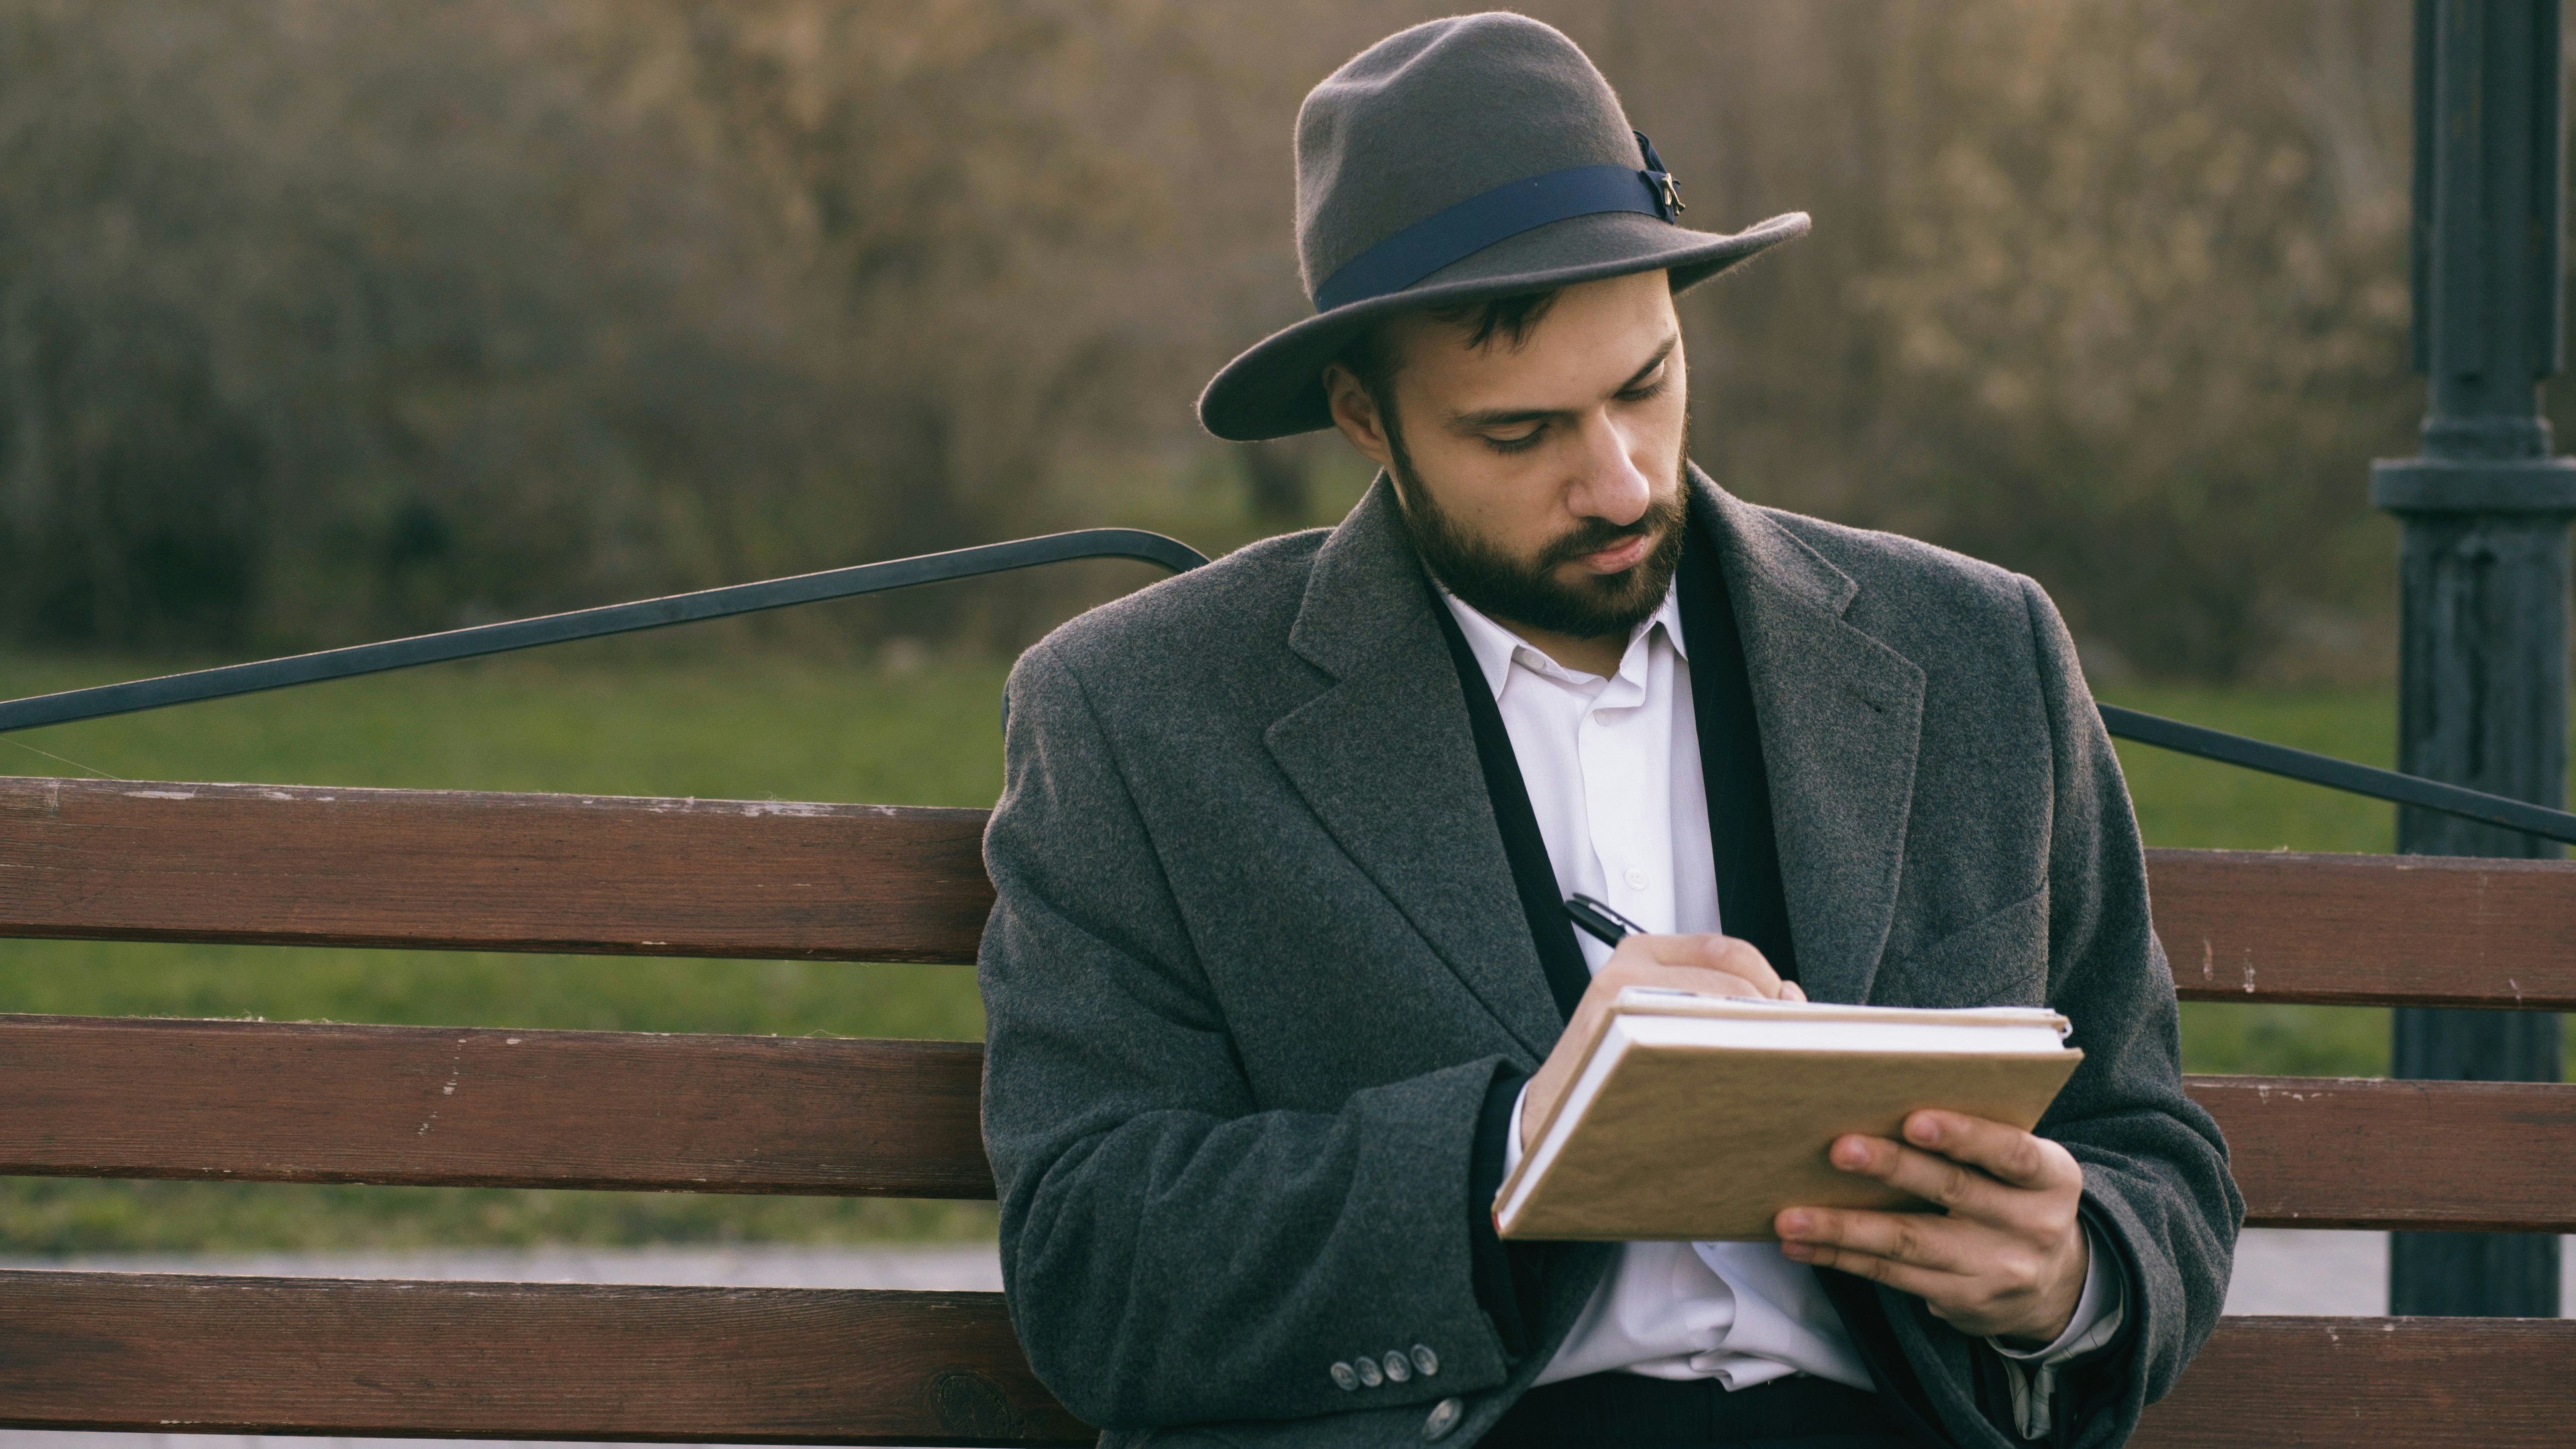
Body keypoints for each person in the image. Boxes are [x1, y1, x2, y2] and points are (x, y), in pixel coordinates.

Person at [977, 14, 2238, 1448]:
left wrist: (2073, 1278)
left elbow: (2154, 1156)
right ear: (1365, 419)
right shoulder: (1137, 714)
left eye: (1646, 386)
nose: (1621, 481)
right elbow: (1092, 1271)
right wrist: (1516, 1148)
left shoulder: (1976, 651)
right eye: (1519, 435)